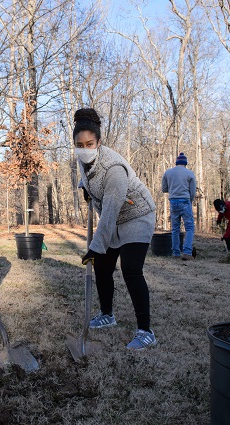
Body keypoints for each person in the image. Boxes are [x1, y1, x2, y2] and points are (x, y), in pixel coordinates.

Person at [74, 108, 158, 350]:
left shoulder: (114, 169)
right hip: (115, 216)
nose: (85, 148)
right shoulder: (82, 159)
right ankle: (107, 314)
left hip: (137, 215)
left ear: (99, 143)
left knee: (131, 270)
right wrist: (84, 187)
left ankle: (146, 331)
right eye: (80, 145)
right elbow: (88, 176)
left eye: (90, 143)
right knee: (102, 267)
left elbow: (109, 212)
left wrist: (94, 247)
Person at [161, 152, 197, 260]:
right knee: (189, 228)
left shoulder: (168, 173)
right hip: (185, 201)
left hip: (173, 202)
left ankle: (176, 253)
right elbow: (193, 192)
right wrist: (189, 201)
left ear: (176, 163)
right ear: (185, 163)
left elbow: (164, 189)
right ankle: (187, 252)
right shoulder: (189, 173)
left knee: (175, 229)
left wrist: (173, 189)